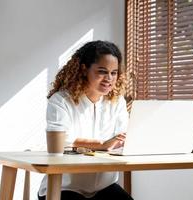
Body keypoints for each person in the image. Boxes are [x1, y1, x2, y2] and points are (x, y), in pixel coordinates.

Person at [38, 40, 133, 200]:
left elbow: (123, 137)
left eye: (114, 72)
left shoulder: (117, 102)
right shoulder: (61, 100)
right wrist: (102, 145)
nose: (109, 78)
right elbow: (58, 144)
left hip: (104, 188)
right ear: (84, 69)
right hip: (64, 188)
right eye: (102, 71)